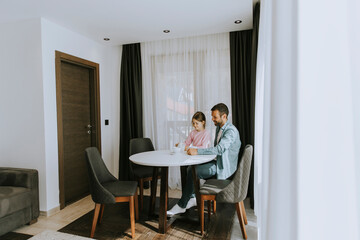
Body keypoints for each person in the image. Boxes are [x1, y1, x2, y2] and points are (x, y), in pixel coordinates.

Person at [167, 103, 241, 216]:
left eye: (215, 117)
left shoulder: (231, 131)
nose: (212, 119)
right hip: (218, 162)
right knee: (190, 169)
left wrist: (197, 151)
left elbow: (219, 149)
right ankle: (192, 198)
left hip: (224, 169)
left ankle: (181, 205)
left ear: (224, 116)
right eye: (212, 116)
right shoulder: (219, 128)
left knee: (194, 171)